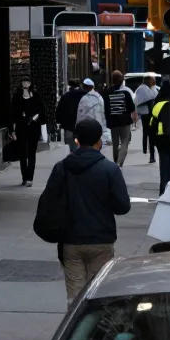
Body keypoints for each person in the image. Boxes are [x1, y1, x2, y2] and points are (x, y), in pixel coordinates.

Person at [39, 118, 131, 304]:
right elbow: (123, 206)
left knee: (75, 299)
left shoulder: (62, 168)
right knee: (99, 296)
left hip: (71, 240)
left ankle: (74, 330)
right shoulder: (110, 169)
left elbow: (49, 201)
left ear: (76, 140)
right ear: (99, 141)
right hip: (101, 239)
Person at [9, 78, 46, 186]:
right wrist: (12, 130)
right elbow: (12, 114)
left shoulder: (36, 95)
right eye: (24, 81)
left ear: (30, 83)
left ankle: (30, 178)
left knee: (31, 153)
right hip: (21, 128)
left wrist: (34, 118)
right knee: (22, 154)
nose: (26, 83)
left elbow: (41, 110)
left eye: (28, 81)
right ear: (21, 83)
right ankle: (24, 177)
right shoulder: (17, 96)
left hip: (33, 127)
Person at [104, 71, 137, 166]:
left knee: (115, 143)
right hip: (125, 121)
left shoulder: (107, 92)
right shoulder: (126, 93)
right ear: (122, 81)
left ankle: (115, 162)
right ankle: (119, 162)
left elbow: (105, 108)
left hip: (113, 122)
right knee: (124, 142)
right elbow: (131, 108)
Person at [74, 78, 109, 149]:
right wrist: (104, 129)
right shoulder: (99, 98)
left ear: (85, 87)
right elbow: (103, 114)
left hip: (86, 128)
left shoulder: (83, 99)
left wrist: (77, 127)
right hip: (98, 127)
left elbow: (80, 115)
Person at [134, 74, 159, 162]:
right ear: (148, 80)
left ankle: (151, 153)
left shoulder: (151, 88)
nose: (154, 81)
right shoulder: (142, 89)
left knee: (150, 134)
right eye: (152, 80)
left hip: (152, 114)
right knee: (148, 133)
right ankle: (148, 152)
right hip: (146, 115)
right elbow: (142, 99)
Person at [55, 80, 83, 150]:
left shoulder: (65, 96)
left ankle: (73, 155)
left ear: (70, 86)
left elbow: (59, 110)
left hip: (68, 126)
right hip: (81, 124)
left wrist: (59, 121)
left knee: (70, 144)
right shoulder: (84, 94)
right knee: (80, 142)